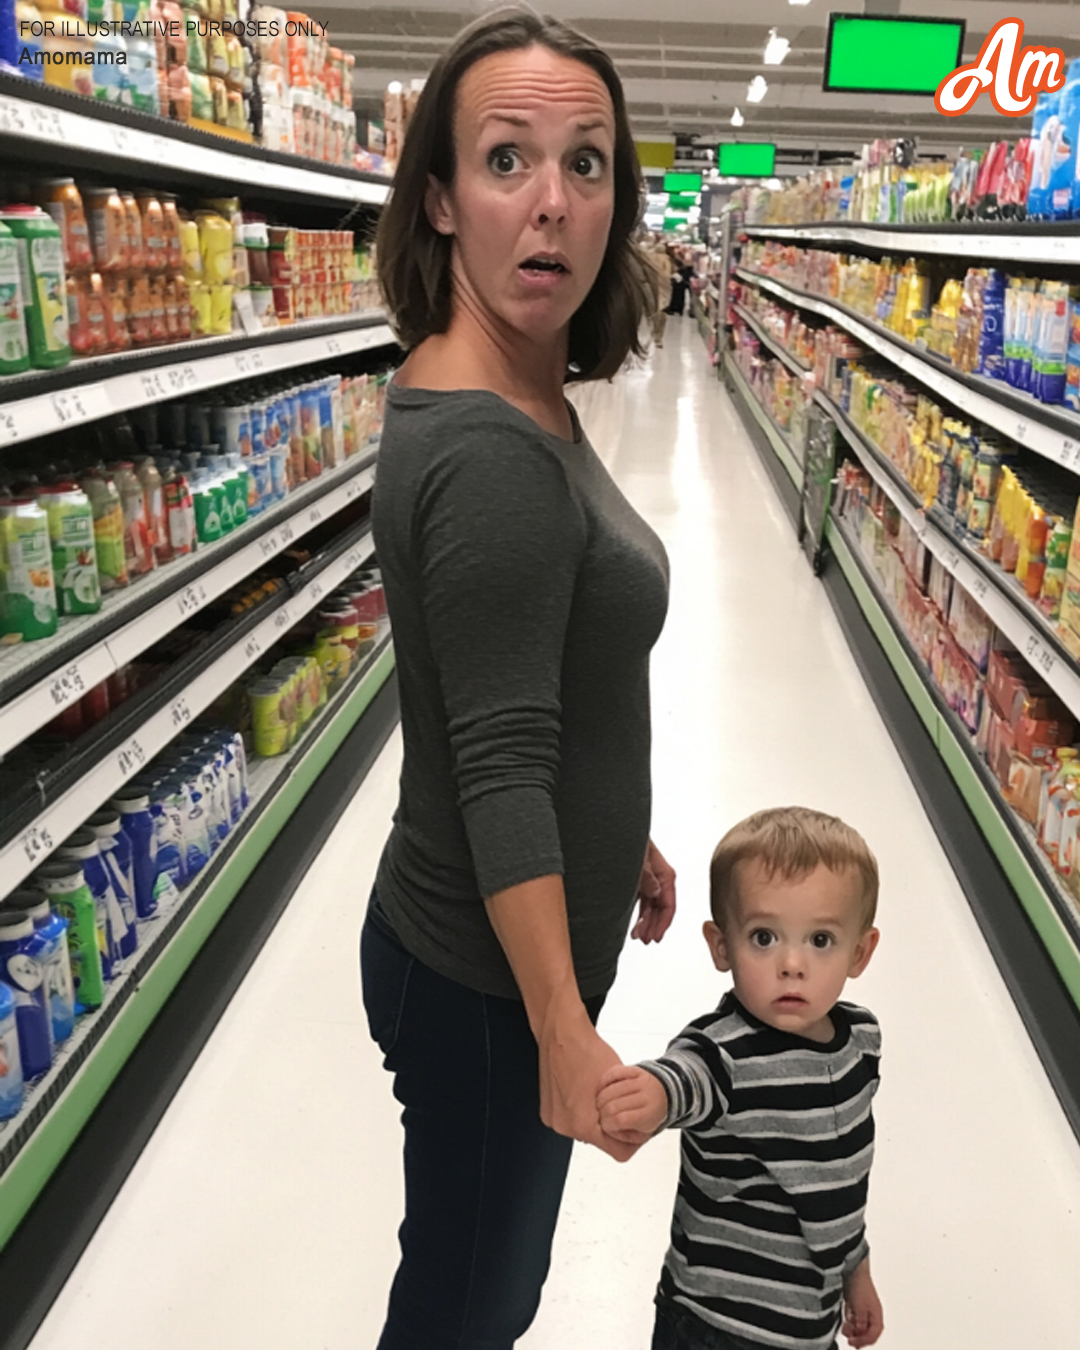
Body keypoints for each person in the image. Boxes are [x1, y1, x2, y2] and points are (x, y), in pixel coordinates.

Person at [363, 8, 675, 1348]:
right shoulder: (492, 451)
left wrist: (618, 825)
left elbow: (526, 675)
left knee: (477, 1278)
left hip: (485, 954)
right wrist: (560, 1025)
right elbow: (497, 764)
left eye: (585, 162)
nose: (552, 201)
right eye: (507, 159)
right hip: (486, 988)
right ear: (439, 199)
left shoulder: (520, 387)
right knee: (467, 1308)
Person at [599, 807, 884, 1350]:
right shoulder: (724, 1052)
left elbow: (842, 1184)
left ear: (860, 952)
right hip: (715, 1326)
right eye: (764, 937)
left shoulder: (860, 1043)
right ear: (721, 945)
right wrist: (653, 1093)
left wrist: (856, 1271)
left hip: (809, 1324)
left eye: (820, 940)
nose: (792, 964)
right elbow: (686, 1077)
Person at [648, 238, 675, 347]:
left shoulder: (650, 258)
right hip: (663, 286)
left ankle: (653, 332)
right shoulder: (666, 259)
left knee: (654, 309)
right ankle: (657, 336)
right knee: (661, 310)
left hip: (651, 285)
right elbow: (668, 273)